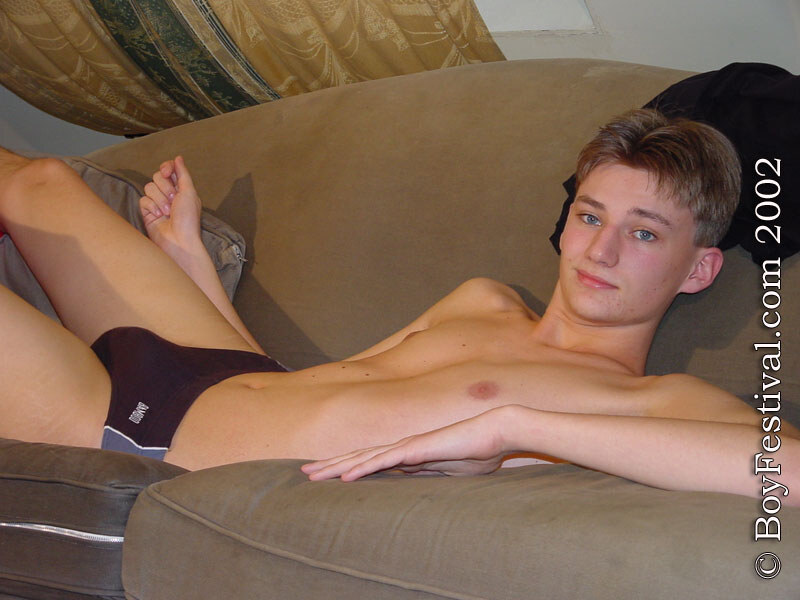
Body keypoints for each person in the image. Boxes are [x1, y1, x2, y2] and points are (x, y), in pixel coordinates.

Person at [0, 109, 795, 504]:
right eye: (591, 216)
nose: (602, 250)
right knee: (42, 182)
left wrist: (516, 428)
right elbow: (304, 392)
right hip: (214, 369)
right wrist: (192, 266)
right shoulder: (482, 300)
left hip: (143, 441)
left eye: (644, 233)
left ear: (700, 270)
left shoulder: (652, 401)